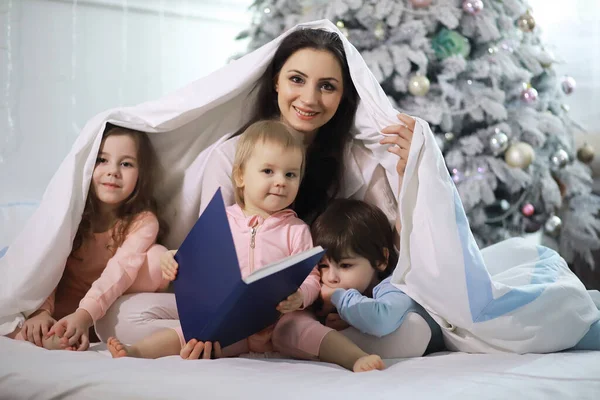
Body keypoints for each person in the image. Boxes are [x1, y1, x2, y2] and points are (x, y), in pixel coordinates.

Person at [95, 27, 415, 348]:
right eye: (297, 80)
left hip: (307, 305)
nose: (309, 98)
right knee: (119, 316)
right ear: (276, 80)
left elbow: (388, 245)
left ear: (344, 94)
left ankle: (291, 337)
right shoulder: (230, 156)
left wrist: (406, 174)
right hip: (229, 303)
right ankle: (240, 338)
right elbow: (212, 253)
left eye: (327, 86)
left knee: (409, 331)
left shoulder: (353, 159)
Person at [107, 120, 385, 372]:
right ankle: (137, 352)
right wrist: (173, 259)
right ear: (240, 177)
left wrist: (301, 296)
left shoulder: (295, 229)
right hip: (230, 323)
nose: (280, 182)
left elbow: (312, 275)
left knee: (307, 329)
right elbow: (196, 259)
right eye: (268, 171)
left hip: (279, 322)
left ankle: (354, 357)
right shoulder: (221, 221)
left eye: (291, 175)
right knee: (188, 333)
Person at [5, 125, 170, 351]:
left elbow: (119, 271)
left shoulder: (143, 221)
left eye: (126, 163)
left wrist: (84, 315)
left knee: (158, 257)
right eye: (102, 160)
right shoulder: (74, 211)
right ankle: (52, 337)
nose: (113, 171)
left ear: (141, 173)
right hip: (58, 310)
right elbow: (47, 261)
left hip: (101, 313)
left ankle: (69, 336)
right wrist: (40, 312)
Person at [311, 198, 445, 355]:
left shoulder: (396, 285)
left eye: (345, 265)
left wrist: (336, 295)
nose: (331, 278)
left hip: (422, 335)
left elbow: (380, 320)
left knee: (413, 325)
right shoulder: (353, 289)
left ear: (380, 260)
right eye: (323, 266)